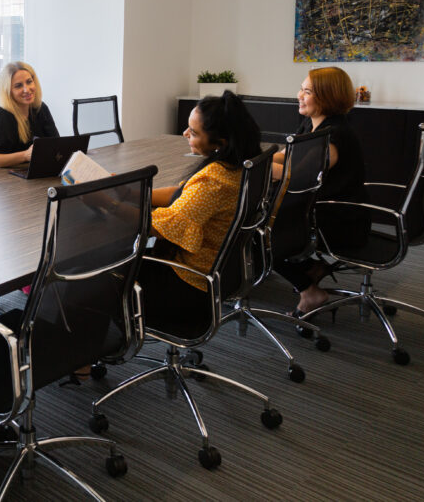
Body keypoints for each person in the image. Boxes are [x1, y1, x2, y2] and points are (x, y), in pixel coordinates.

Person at [143, 91, 262, 339]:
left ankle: (90, 357)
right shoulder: (237, 166)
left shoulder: (213, 182)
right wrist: (132, 192)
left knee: (98, 279)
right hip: (215, 279)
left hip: (187, 288)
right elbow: (180, 192)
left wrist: (108, 203)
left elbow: (154, 229)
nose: (185, 134)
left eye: (194, 132)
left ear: (219, 143)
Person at [272, 67, 369, 315]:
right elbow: (288, 156)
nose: (299, 95)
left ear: (327, 96)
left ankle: (309, 291)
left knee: (255, 230)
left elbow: (296, 178)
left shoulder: (334, 136)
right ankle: (310, 267)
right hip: (322, 210)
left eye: (307, 91)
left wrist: (249, 167)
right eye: (301, 89)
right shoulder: (314, 124)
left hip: (339, 220)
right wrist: (257, 157)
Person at [0, 61, 60, 169]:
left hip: (33, 173)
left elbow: (56, 144)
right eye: (18, 86)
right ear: (8, 91)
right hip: (3, 181)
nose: (27, 89)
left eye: (29, 82)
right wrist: (25, 155)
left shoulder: (40, 109)